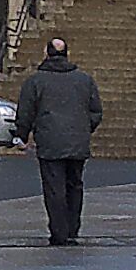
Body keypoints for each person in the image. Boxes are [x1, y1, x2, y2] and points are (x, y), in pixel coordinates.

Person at [12, 35, 104, 245]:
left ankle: (59, 232)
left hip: (50, 141)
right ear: (66, 54)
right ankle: (72, 229)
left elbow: (25, 111)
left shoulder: (35, 81)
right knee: (75, 185)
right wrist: (84, 128)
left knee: (55, 188)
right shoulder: (85, 80)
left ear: (47, 54)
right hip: (78, 141)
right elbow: (96, 111)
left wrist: (21, 135)